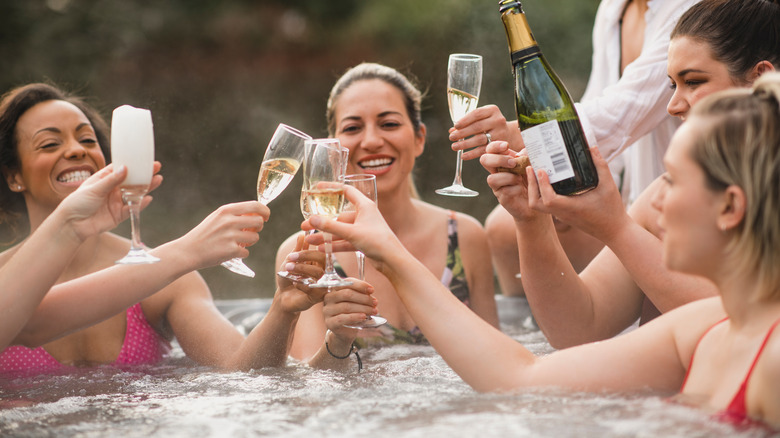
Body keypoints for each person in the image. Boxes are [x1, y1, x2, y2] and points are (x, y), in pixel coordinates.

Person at [309, 72, 780, 429]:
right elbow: (520, 378)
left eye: (672, 180)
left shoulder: (771, 357)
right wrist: (393, 255)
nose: (653, 198)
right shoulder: (701, 327)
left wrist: (391, 254)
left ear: (730, 207)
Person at [478, 0, 779, 348]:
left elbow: (745, 331)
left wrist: (616, 228)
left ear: (761, 77)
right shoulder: (661, 195)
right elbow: (577, 329)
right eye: (672, 86)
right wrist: (530, 221)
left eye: (694, 82)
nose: (673, 105)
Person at [0, 83, 328, 373]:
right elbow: (28, 321)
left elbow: (242, 371)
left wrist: (281, 310)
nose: (75, 150)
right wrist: (190, 249)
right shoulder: (5, 282)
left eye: (87, 139)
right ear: (13, 175)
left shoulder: (168, 282)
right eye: (48, 144)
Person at [450, 0, 700, 297]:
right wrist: (568, 184)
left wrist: (517, 132)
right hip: (633, 195)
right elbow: (599, 108)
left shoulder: (691, 9)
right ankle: (529, 327)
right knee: (504, 226)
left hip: (678, 202)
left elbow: (623, 115)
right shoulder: (614, 8)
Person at [276, 63, 498, 370]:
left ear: (419, 138)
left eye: (389, 124)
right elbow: (308, 395)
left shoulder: (466, 237)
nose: (370, 141)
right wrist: (338, 339)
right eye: (352, 128)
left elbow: (499, 364)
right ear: (333, 150)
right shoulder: (308, 250)